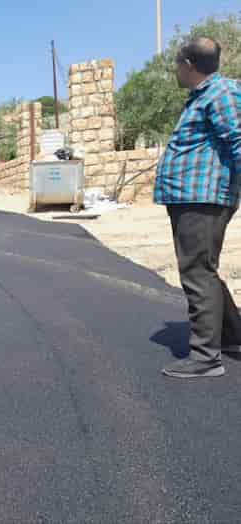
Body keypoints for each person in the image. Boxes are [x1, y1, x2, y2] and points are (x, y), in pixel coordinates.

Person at [155, 37, 241, 378]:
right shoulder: (204, 97)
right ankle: (233, 335)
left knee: (197, 272)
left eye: (177, 65)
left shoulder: (221, 94)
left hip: (204, 199)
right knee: (203, 267)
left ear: (188, 65)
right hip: (191, 197)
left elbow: (238, 139)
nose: (176, 71)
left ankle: (206, 356)